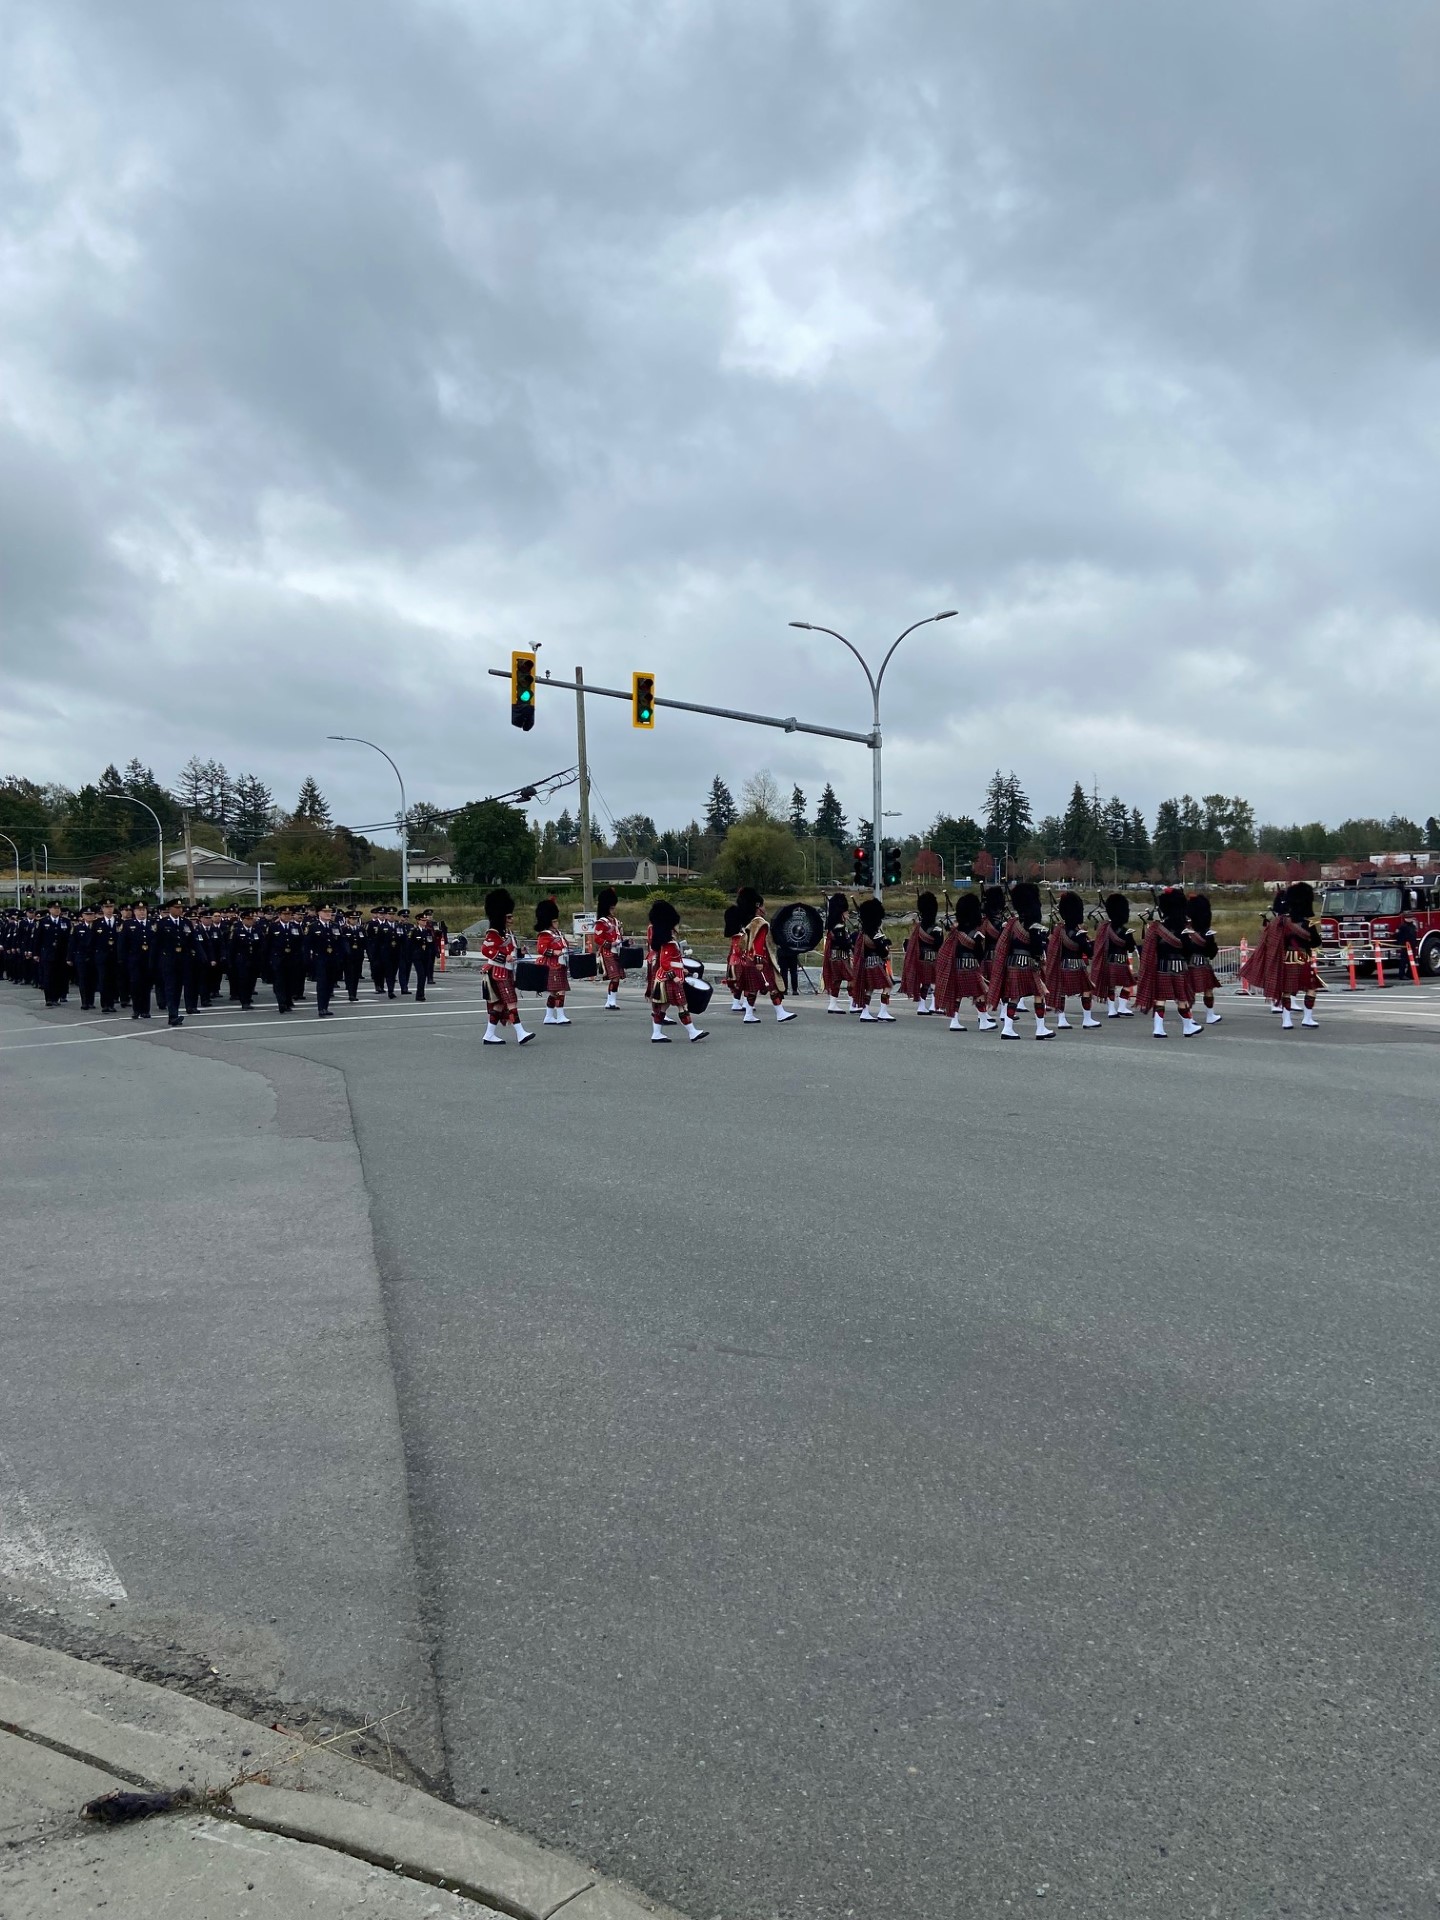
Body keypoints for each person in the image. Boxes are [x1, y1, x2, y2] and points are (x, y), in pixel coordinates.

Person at [1242, 882, 1322, 1029]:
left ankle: (1286, 1020)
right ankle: (1307, 1018)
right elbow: (1316, 943)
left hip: (1286, 959)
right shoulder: (1308, 924)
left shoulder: (1281, 923)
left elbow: (1272, 941)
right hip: (1303, 959)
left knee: (1286, 990)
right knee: (1311, 988)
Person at [986, 880, 1053, 1038]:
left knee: (1014, 996)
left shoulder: (1013, 924)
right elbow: (1037, 948)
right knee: (1039, 995)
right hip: (1028, 964)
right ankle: (1041, 1028)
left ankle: (1007, 1028)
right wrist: (1043, 943)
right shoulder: (1034, 925)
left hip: (1012, 964)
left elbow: (1006, 945)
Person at [1135, 888, 1202, 1037]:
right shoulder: (1183, 930)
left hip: (1161, 968)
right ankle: (1187, 1027)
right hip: (1178, 968)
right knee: (1182, 999)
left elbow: (1149, 949)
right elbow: (1188, 951)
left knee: (1160, 999)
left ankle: (1158, 1029)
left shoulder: (1157, 928)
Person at [645, 899, 707, 1042]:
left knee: (663, 1007)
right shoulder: (669, 943)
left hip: (669, 977)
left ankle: (657, 1033)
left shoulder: (668, 941)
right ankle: (692, 1032)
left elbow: (674, 961)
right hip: (669, 978)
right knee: (682, 1005)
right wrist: (674, 977)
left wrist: (683, 969)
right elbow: (665, 963)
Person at [734, 888, 796, 1024]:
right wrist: (759, 960)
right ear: (757, 906)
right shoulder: (760, 923)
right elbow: (759, 943)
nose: (764, 907)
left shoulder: (749, 923)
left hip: (748, 960)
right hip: (759, 960)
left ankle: (749, 1014)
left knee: (752, 988)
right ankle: (780, 1012)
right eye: (762, 905)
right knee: (772, 986)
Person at [480, 889, 532, 1045]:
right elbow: (486, 950)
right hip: (498, 972)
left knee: (499, 1005)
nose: (512, 919)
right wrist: (504, 957)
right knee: (511, 1002)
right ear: (501, 916)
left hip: (507, 971)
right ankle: (520, 1033)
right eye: (509, 917)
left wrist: (520, 953)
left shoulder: (507, 933)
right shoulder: (493, 933)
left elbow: (510, 952)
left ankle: (489, 1034)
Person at [1044, 890, 1101, 1029]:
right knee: (1086, 991)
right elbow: (1088, 952)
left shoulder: (1059, 931)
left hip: (1062, 966)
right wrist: (1091, 944)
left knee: (1061, 992)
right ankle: (1087, 1019)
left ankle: (1061, 1019)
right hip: (1078, 966)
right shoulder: (1079, 934)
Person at [934, 891, 989, 1031]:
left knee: (957, 994)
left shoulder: (955, 932)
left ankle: (954, 1021)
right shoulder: (976, 933)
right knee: (980, 992)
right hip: (970, 967)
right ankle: (983, 1021)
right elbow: (979, 953)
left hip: (956, 967)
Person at [1090, 893, 1137, 1016]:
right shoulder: (1126, 931)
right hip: (1122, 962)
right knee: (1127, 984)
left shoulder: (1105, 929)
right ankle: (1121, 1007)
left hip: (1109, 961)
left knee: (1111, 987)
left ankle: (1112, 1010)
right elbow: (1131, 947)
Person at [849, 898, 895, 1020]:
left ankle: (865, 1012)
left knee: (869, 988)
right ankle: (883, 1011)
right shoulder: (875, 935)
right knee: (888, 985)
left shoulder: (862, 934)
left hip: (866, 964)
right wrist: (886, 951)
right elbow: (882, 952)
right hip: (876, 963)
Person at [900, 892, 943, 1014]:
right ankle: (935, 1005)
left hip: (920, 958)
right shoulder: (936, 929)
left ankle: (922, 1005)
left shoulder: (918, 928)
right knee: (936, 982)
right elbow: (939, 945)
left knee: (925, 983)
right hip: (933, 958)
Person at [154, 899, 193, 1027]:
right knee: (170, 988)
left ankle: (174, 1014)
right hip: (168, 961)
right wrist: (154, 963)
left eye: (181, 907)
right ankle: (173, 1015)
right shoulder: (162, 923)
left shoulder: (186, 923)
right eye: (176, 907)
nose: (180, 910)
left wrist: (203, 957)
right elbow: (156, 945)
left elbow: (193, 942)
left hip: (183, 961)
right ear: (170, 909)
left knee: (177, 989)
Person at [1185, 894, 1223, 1025]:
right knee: (1208, 989)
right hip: (1202, 963)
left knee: (1188, 992)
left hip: (1187, 964)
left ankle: (1189, 1017)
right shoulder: (1207, 932)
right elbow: (1211, 952)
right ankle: (1210, 1015)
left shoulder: (1185, 930)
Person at [534, 899, 572, 1025]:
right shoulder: (545, 934)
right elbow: (541, 948)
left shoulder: (558, 933)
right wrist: (554, 952)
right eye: (554, 921)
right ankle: (560, 1015)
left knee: (554, 992)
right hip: (552, 965)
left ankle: (549, 1016)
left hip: (560, 964)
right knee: (560, 990)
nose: (557, 923)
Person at [307, 904, 347, 1017]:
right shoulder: (313, 926)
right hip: (320, 959)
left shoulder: (335, 925)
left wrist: (342, 957)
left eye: (329, 911)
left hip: (333, 959)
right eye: (325, 911)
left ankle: (326, 1006)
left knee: (330, 984)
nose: (328, 913)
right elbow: (307, 945)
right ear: (319, 913)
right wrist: (308, 961)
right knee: (322, 984)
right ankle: (321, 1008)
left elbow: (340, 942)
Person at [592, 887, 626, 1010]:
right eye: (611, 908)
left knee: (617, 978)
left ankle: (611, 1000)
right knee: (615, 977)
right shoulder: (601, 922)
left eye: (614, 908)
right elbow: (598, 939)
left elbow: (619, 935)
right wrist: (611, 943)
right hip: (608, 952)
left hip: (618, 951)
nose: (614, 910)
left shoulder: (616, 921)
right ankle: (610, 1001)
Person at [821, 893, 854, 1013]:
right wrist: (851, 944)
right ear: (842, 913)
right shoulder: (839, 927)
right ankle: (853, 1004)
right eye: (846, 912)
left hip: (833, 957)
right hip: (841, 956)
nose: (848, 914)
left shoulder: (833, 926)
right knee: (852, 978)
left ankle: (833, 1004)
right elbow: (842, 943)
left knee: (836, 980)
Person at [121, 902, 155, 1020]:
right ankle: (136, 1010)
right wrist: (124, 961)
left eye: (144, 910)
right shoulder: (128, 924)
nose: (142, 912)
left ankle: (146, 1010)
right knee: (135, 986)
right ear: (134, 912)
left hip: (148, 960)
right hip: (134, 961)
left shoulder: (152, 924)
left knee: (146, 986)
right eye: (139, 910)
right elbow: (122, 945)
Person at [94, 898, 123, 1013]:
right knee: (103, 980)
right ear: (102, 909)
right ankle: (105, 1004)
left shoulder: (119, 922)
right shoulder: (97, 923)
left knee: (113, 981)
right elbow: (92, 941)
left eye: (111, 907)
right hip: (102, 957)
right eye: (106, 907)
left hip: (115, 956)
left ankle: (111, 1003)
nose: (109, 909)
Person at [722, 903, 747, 1012]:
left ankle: (736, 1003)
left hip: (733, 960)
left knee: (737, 984)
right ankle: (746, 1002)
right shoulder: (741, 936)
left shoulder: (734, 936)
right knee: (746, 983)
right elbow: (740, 950)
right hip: (741, 961)